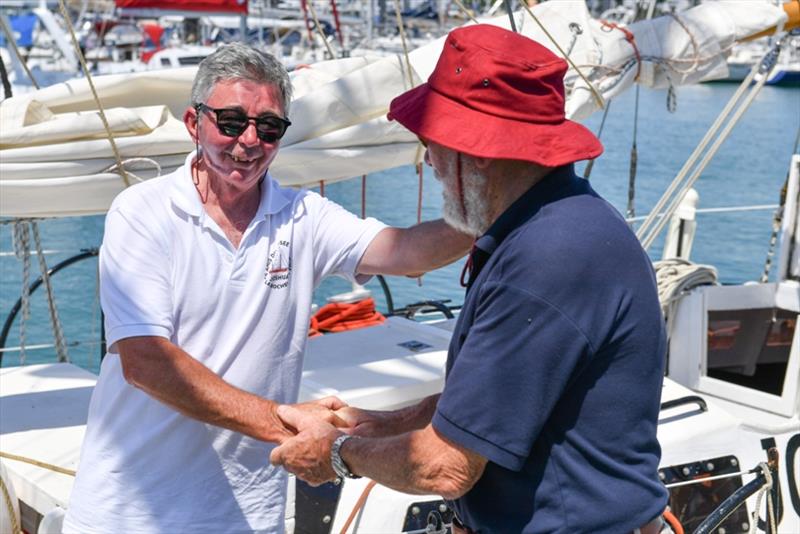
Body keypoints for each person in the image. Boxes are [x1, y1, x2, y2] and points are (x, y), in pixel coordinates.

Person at [270, 24, 670, 533]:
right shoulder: (555, 225)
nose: (428, 162)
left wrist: (338, 454)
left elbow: (447, 466)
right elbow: (497, 405)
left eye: (431, 143)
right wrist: (384, 423)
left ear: (477, 150)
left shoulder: (548, 259)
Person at [62, 43, 472, 534]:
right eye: (231, 122)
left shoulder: (303, 216)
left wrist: (490, 211)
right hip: (128, 515)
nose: (249, 140)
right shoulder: (142, 212)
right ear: (195, 123)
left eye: (269, 127)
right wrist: (286, 421)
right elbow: (146, 362)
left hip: (249, 516)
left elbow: (405, 252)